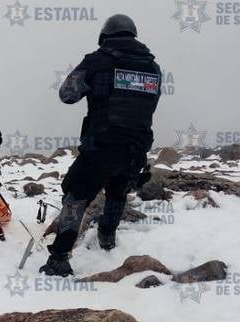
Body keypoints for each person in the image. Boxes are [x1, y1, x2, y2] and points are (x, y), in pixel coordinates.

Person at [40, 14, 162, 277]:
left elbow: (67, 94)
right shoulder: (153, 69)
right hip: (136, 150)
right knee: (117, 193)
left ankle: (59, 258)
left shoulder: (97, 61)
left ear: (105, 36)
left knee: (76, 196)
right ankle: (107, 238)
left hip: (101, 147)